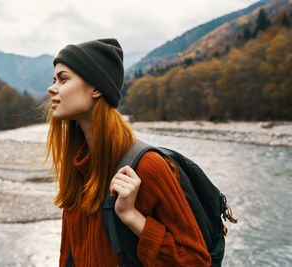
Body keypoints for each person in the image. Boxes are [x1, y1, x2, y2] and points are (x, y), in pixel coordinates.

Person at [46, 38, 211, 266]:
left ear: (96, 88)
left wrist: (131, 216)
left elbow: (196, 261)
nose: (51, 88)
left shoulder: (147, 167)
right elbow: (68, 255)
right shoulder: (79, 165)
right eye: (54, 79)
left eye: (63, 79)